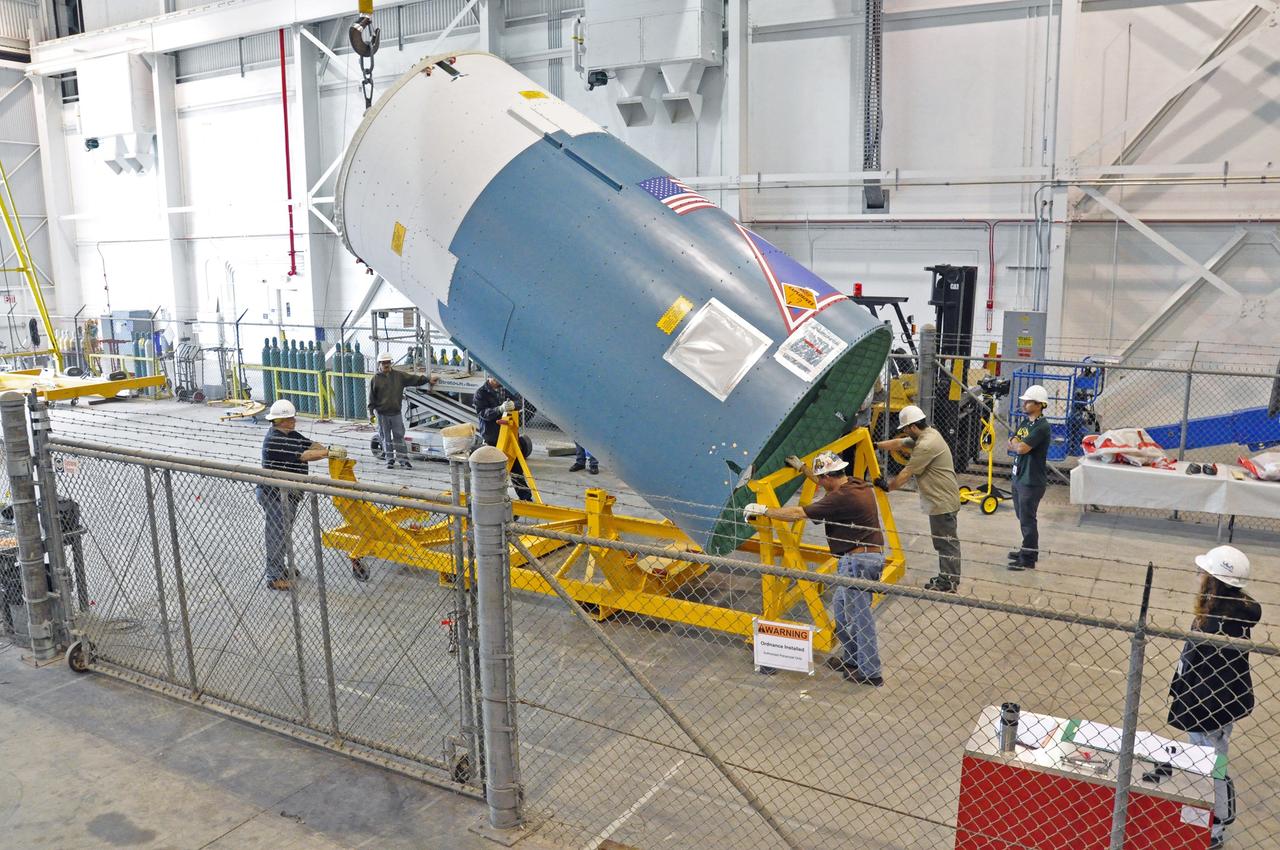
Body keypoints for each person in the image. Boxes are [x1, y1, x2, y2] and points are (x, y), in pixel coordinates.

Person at [744, 451, 886, 686]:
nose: (818, 483)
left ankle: (871, 673)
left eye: (821, 478)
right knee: (841, 612)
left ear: (830, 477)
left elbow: (798, 513)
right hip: (859, 559)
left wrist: (764, 511)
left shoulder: (840, 499)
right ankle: (852, 659)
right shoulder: (856, 484)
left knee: (861, 617)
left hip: (858, 563)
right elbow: (829, 486)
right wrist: (804, 469)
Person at [1167, 546, 1260, 850]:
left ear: (1214, 581)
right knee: (1208, 762)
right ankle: (1208, 818)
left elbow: (1203, 670)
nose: (1199, 577)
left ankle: (1215, 825)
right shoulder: (1233, 613)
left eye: (1205, 573)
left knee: (1211, 766)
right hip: (1212, 705)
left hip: (1208, 708)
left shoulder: (1216, 623)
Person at [874, 405, 962, 593]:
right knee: (944, 541)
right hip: (942, 498)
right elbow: (899, 444)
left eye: (905, 428)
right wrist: (874, 445)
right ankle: (948, 577)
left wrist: (887, 486)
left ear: (913, 427)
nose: (904, 432)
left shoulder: (926, 445)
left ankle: (949, 582)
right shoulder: (928, 434)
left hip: (942, 500)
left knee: (945, 542)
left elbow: (906, 473)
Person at [258, 399, 344, 590]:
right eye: (290, 418)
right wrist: (328, 453)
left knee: (284, 533)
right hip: (275, 495)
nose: (294, 420)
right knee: (276, 534)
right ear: (281, 421)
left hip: (288, 493)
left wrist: (323, 449)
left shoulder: (289, 433)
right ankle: (274, 577)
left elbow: (309, 444)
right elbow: (304, 455)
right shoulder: (276, 439)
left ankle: (282, 568)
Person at [1007, 385, 1051, 571]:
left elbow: (1022, 448)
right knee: (1021, 515)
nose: (1024, 404)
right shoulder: (1026, 423)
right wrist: (1016, 444)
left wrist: (1017, 444)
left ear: (1040, 404)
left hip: (1031, 480)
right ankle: (1027, 548)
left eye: (1029, 401)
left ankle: (1029, 557)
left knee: (1027, 519)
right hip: (1018, 476)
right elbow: (1011, 441)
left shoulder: (1042, 427)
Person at [368, 351, 436, 470]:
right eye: (384, 363)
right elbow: (371, 398)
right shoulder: (375, 380)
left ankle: (403, 460)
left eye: (388, 362)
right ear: (379, 364)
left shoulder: (399, 376)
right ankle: (389, 460)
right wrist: (371, 413)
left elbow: (414, 379)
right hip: (382, 414)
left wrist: (427, 380)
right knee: (386, 437)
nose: (386, 364)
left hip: (396, 413)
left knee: (399, 436)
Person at [474, 372, 533, 501]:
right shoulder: (481, 393)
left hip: (510, 434)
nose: (498, 380)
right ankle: (498, 499)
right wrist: (499, 409)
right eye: (495, 377)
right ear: (489, 377)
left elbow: (519, 402)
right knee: (496, 470)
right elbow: (482, 413)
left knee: (516, 470)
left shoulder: (506, 389)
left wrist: (514, 405)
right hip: (493, 436)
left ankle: (526, 499)